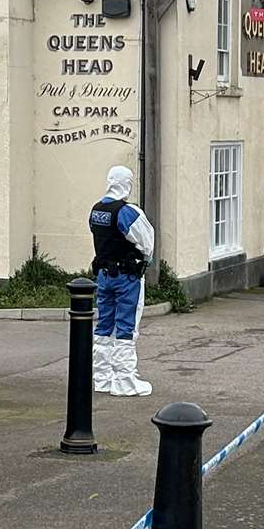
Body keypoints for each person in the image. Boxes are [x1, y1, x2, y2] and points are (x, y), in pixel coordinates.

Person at [89, 165, 155, 396]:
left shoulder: (97, 210)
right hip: (126, 277)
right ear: (126, 183)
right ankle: (124, 381)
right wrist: (145, 259)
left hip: (103, 276)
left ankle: (102, 378)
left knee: (104, 325)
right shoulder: (127, 212)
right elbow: (146, 242)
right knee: (127, 326)